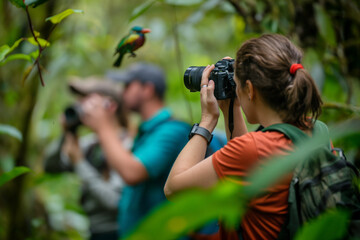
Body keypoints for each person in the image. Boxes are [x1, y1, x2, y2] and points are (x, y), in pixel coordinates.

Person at [164, 34, 323, 240]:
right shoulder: (315, 131)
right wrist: (231, 108)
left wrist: (207, 121)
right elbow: (248, 165)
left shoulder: (253, 149)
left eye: (238, 85)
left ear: (250, 89)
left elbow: (173, 189)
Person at [79, 63, 191, 237]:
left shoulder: (172, 131)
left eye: (128, 86)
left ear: (147, 89)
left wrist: (103, 127)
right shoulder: (146, 131)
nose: (122, 92)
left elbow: (132, 172)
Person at [44, 77, 131, 240]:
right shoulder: (90, 144)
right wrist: (66, 133)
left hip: (120, 232)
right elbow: (50, 167)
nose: (81, 108)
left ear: (110, 105)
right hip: (94, 231)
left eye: (87, 101)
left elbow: (115, 202)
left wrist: (79, 163)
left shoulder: (129, 145)